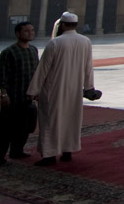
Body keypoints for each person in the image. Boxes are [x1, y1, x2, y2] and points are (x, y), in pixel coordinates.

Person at [27, 12, 98, 166]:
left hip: (54, 89)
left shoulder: (55, 43)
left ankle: (49, 155)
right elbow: (88, 67)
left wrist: (33, 90)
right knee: (71, 119)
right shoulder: (86, 41)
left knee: (50, 121)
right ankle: (68, 151)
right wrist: (89, 87)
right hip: (74, 89)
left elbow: (43, 69)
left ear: (63, 25)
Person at [0, 21, 39, 166]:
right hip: (13, 97)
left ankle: (17, 150)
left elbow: (36, 73)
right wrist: (4, 94)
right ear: (17, 34)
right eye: (26, 31)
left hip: (27, 96)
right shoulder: (8, 52)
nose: (30, 33)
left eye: (32, 31)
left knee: (24, 126)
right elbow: (2, 76)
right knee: (4, 129)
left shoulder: (33, 50)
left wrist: (37, 91)